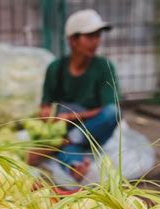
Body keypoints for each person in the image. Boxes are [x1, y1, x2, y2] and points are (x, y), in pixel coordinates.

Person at [41, 9, 119, 181]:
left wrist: (70, 116)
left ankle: (66, 141)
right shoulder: (56, 68)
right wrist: (45, 113)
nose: (96, 41)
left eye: (98, 36)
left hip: (93, 128)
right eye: (90, 36)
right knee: (71, 155)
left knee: (113, 112)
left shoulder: (104, 67)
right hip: (66, 128)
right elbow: (46, 103)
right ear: (73, 40)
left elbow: (108, 108)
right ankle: (75, 165)